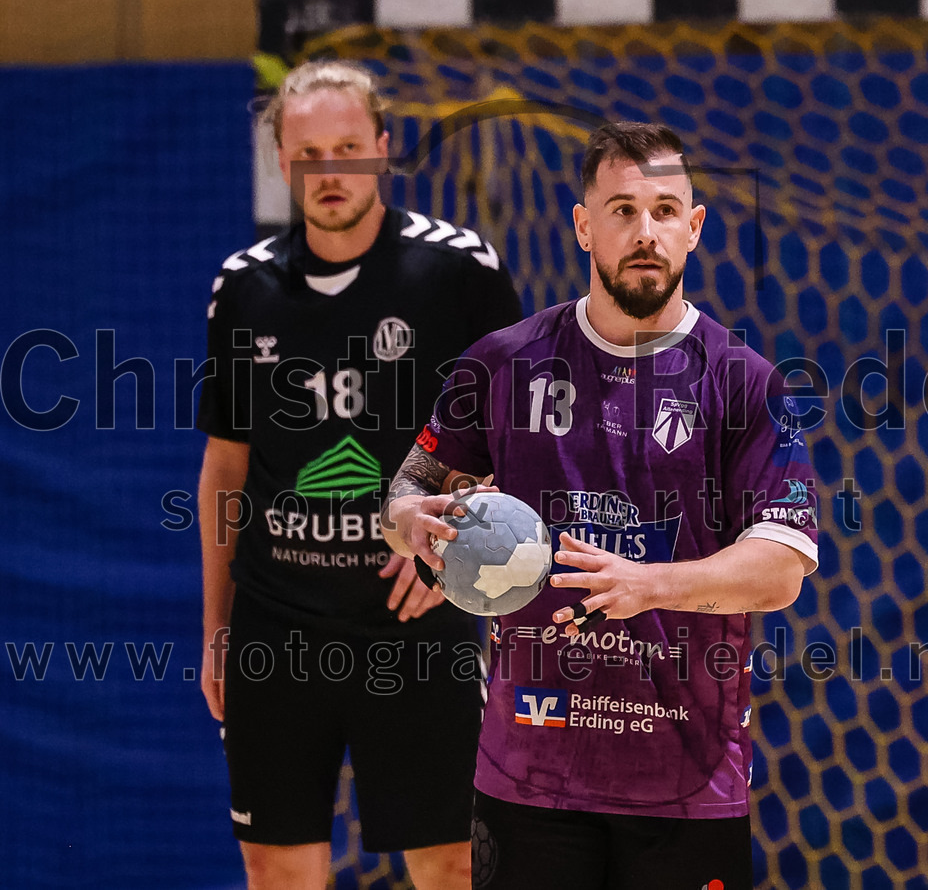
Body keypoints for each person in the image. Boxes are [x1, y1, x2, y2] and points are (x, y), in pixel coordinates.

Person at [383, 122, 818, 889]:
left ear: (694, 227)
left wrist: (648, 584)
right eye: (621, 209)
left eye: (662, 210)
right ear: (584, 226)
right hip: (529, 773)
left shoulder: (745, 382)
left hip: (685, 781)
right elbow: (410, 486)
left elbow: (781, 568)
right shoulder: (504, 361)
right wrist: (413, 522)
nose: (643, 231)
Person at [197, 60, 522, 890]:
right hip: (278, 626)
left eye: (348, 146)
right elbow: (226, 467)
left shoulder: (459, 271)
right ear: (282, 160)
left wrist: (457, 566)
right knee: (276, 869)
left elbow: (517, 446)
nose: (329, 170)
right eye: (307, 153)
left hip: (415, 625)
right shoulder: (243, 288)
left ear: (382, 149)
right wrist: (218, 625)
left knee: (451, 864)